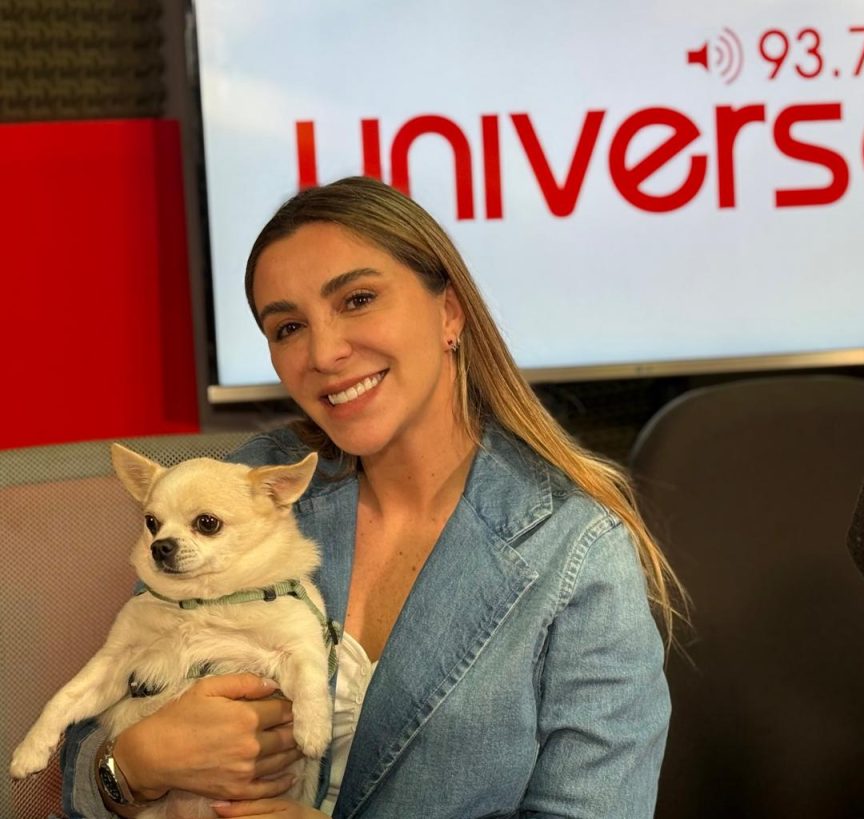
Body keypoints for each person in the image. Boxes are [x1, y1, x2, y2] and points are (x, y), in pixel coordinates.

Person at [63, 176, 685, 818]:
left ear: (449, 312)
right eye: (288, 327)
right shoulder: (247, 485)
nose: (324, 353)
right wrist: (135, 765)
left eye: (358, 300)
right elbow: (84, 765)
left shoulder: (577, 548)